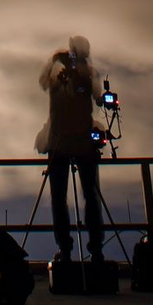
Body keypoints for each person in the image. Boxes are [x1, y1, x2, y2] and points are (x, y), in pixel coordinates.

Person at [37, 36, 104, 267]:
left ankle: (92, 250)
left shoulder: (87, 74)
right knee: (63, 198)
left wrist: (79, 74)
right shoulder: (58, 75)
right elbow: (44, 82)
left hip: (79, 141)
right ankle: (69, 249)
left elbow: (97, 96)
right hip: (61, 141)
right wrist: (56, 62)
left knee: (89, 197)